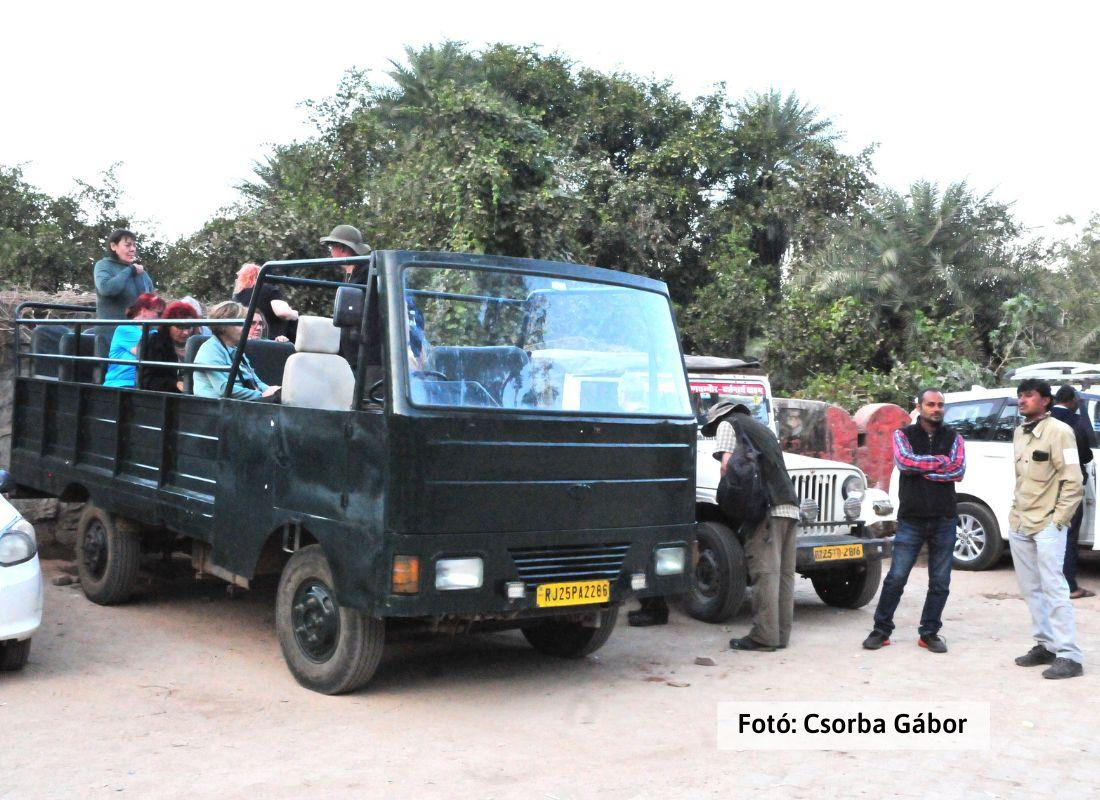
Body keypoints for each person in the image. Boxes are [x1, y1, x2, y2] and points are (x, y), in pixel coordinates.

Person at [862, 389, 965, 653]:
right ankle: (881, 630)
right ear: (919, 407)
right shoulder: (903, 435)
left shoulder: (954, 437)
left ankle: (929, 633)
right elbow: (905, 463)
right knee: (896, 578)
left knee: (940, 582)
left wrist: (925, 469)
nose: (936, 409)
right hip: (911, 519)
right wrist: (940, 463)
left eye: (940, 405)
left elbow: (958, 470)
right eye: (931, 404)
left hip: (944, 518)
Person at [1009, 378, 1084, 680]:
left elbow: (1073, 482)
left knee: (1054, 588)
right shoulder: (1019, 432)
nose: (1022, 400)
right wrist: (1014, 514)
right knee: (1031, 589)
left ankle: (1069, 655)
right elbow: (1021, 478)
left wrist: (1058, 521)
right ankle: (1046, 645)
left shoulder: (1060, 432)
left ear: (1046, 400)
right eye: (1020, 395)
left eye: (1029, 395)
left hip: (1047, 524)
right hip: (1021, 521)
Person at [713, 400, 800, 651]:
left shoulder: (729, 424)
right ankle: (780, 635)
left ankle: (764, 637)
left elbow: (728, 467)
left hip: (766, 509)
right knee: (784, 575)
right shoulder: (763, 430)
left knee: (765, 573)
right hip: (789, 505)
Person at [1051, 385, 1097, 599]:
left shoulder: (1044, 420)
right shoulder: (1074, 422)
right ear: (1072, 400)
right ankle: (1069, 586)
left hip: (1046, 486)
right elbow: (1085, 455)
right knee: (1069, 536)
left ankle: (1050, 584)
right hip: (1069, 487)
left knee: (1049, 535)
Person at [193, 301, 281, 402]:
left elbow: (255, 381)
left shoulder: (236, 350)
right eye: (240, 324)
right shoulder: (209, 350)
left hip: (237, 405)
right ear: (223, 326)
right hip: (216, 407)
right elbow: (224, 389)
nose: (246, 328)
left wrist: (274, 391)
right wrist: (261, 395)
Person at [94, 228, 156, 350]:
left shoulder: (142, 274)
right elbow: (107, 289)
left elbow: (153, 303)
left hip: (140, 335)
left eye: (134, 245)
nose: (132, 249)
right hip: (111, 336)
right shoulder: (103, 266)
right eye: (127, 245)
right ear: (113, 246)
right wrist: (130, 270)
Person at [320, 224, 372, 365]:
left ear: (342, 248)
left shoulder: (366, 273)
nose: (331, 252)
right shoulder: (351, 273)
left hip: (366, 357)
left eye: (332, 247)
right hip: (351, 354)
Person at [103, 293, 166, 388]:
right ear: (143, 311)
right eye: (159, 314)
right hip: (121, 384)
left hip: (146, 384)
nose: (162, 318)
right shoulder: (125, 329)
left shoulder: (154, 332)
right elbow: (146, 354)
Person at [138, 301, 197, 393]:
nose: (186, 332)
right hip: (163, 397)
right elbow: (147, 381)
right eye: (180, 327)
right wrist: (175, 384)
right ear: (168, 325)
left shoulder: (196, 344)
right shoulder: (155, 343)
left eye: (189, 327)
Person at [233, 263, 298, 340]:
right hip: (274, 340)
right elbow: (282, 312)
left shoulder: (237, 297)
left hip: (245, 340)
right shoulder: (269, 290)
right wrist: (294, 314)